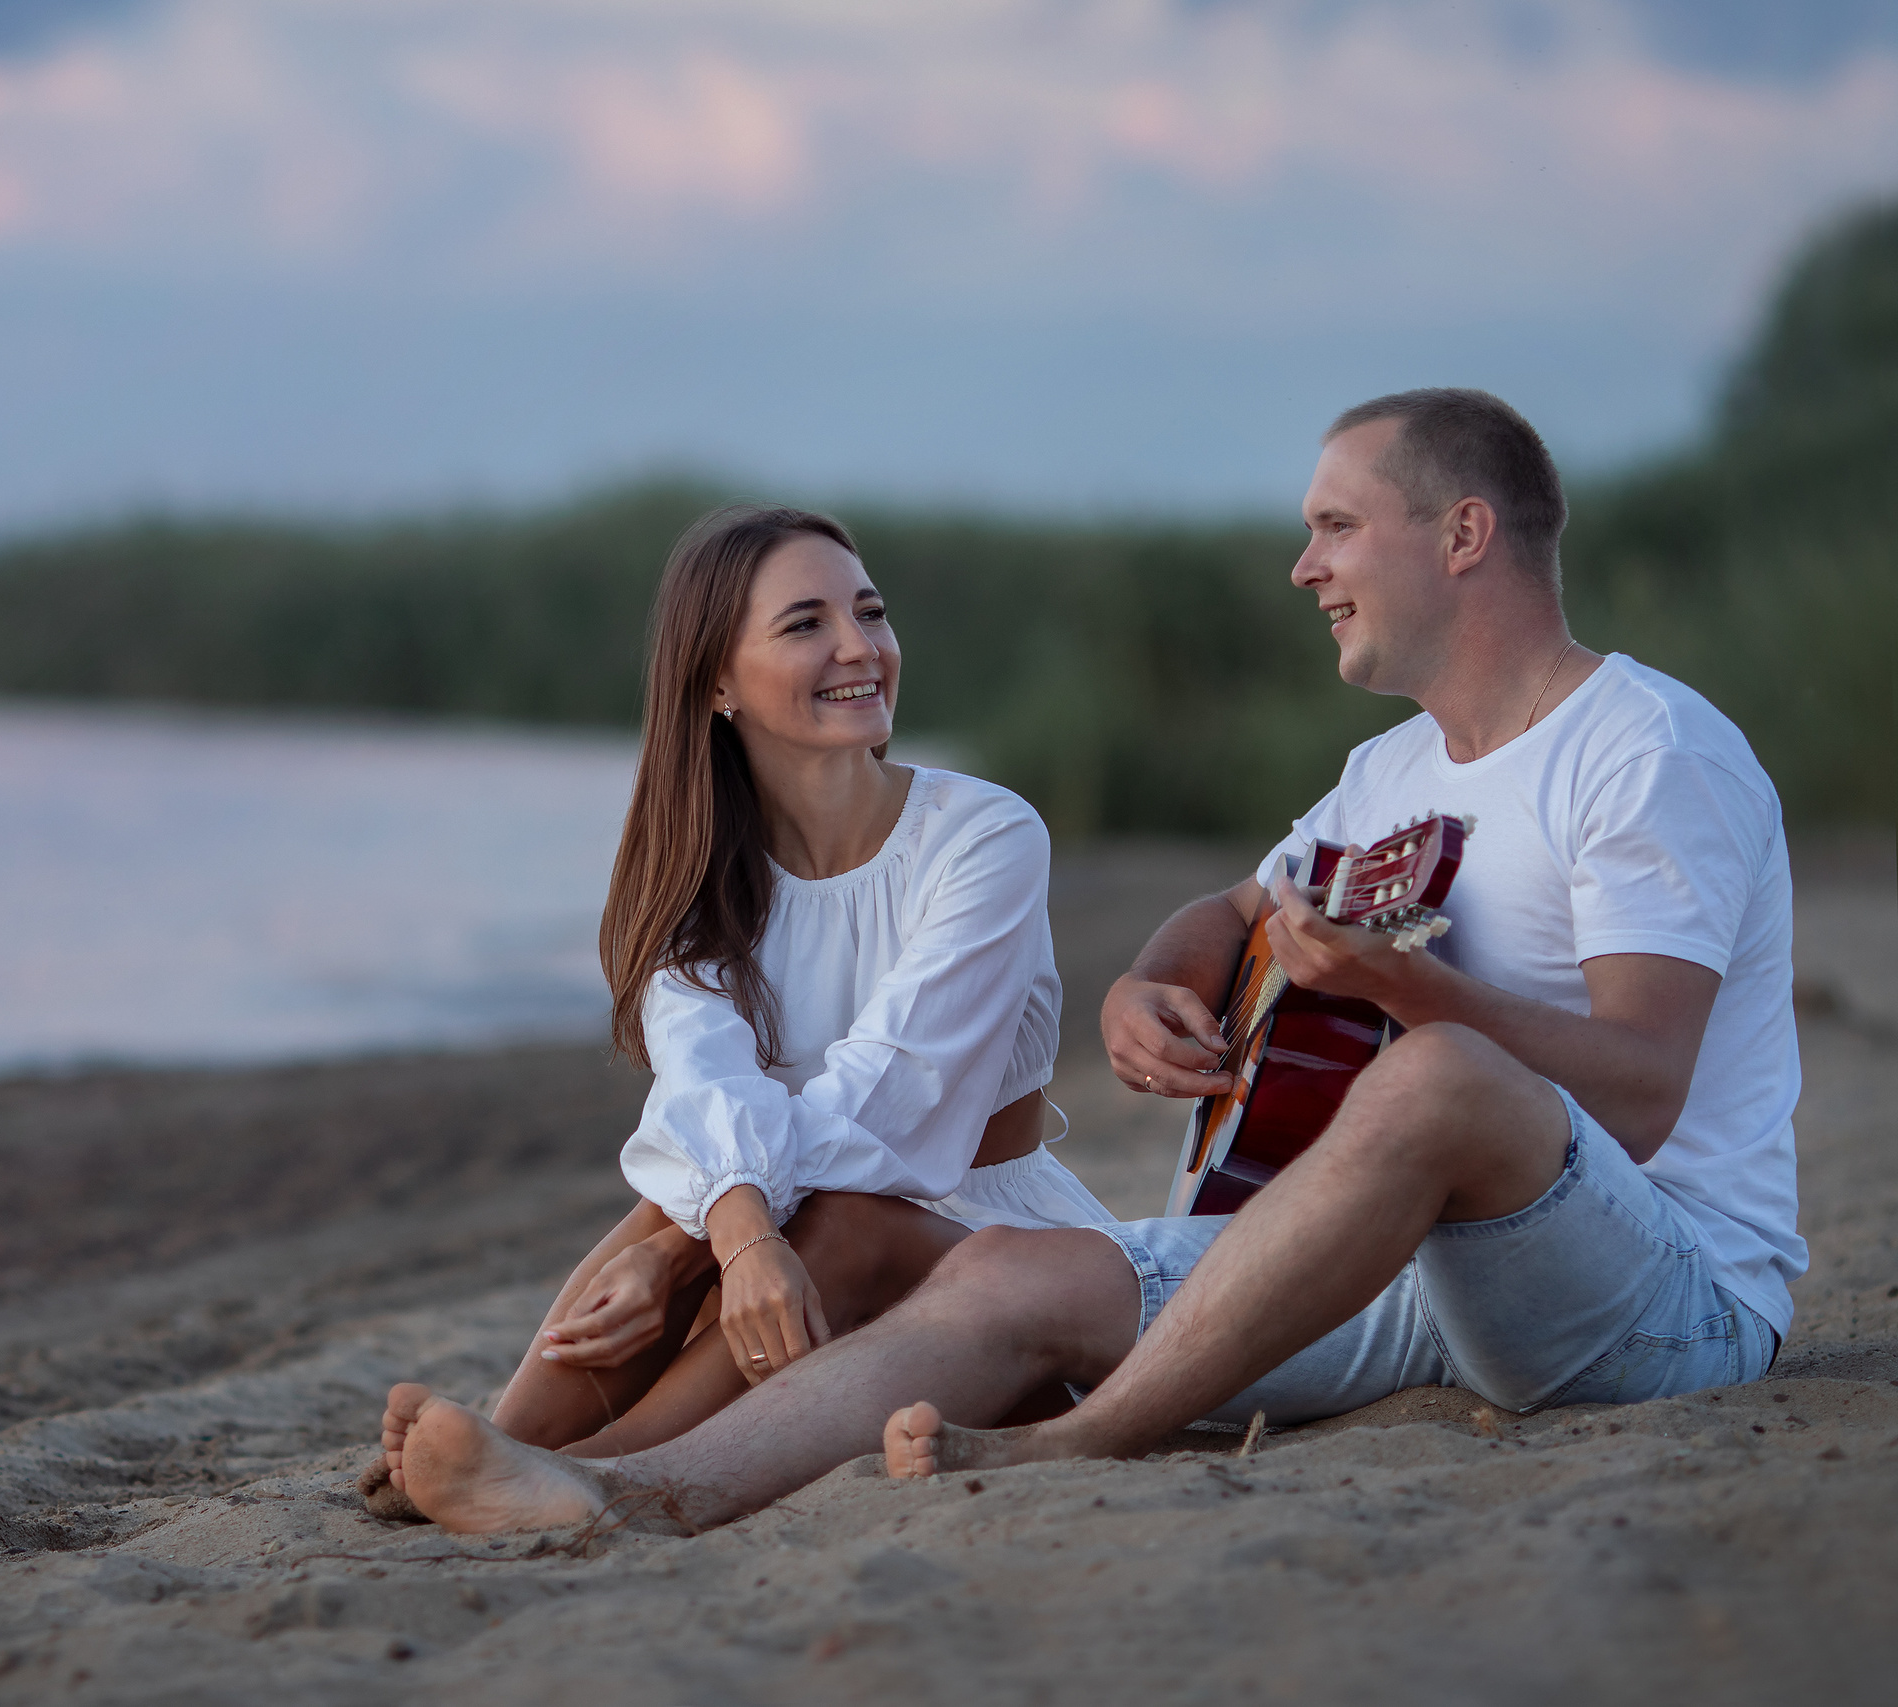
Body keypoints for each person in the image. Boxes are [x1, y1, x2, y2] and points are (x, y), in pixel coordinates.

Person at [374, 389, 1805, 1535]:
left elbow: (1638, 1090)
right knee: (1004, 1268)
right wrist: (1146, 981)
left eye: (1334, 525)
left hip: (1665, 1296)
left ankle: (1083, 1439)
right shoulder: (1394, 768)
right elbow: (1242, 906)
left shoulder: (1647, 752)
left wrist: (1405, 988)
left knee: (1437, 1077)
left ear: (1464, 532)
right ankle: (629, 1492)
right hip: (1420, 1283)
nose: (1304, 564)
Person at [380, 502, 1110, 1497]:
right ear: (717, 680)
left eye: (870, 612)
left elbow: (887, 1100)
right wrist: (716, 1232)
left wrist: (703, 1247)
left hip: (977, 1240)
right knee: (683, 1198)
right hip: (783, 1223)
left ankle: (573, 1472)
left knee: (797, 1216)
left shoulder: (984, 836)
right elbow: (703, 1081)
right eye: (806, 624)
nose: (860, 648)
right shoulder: (700, 875)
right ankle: (508, 1441)